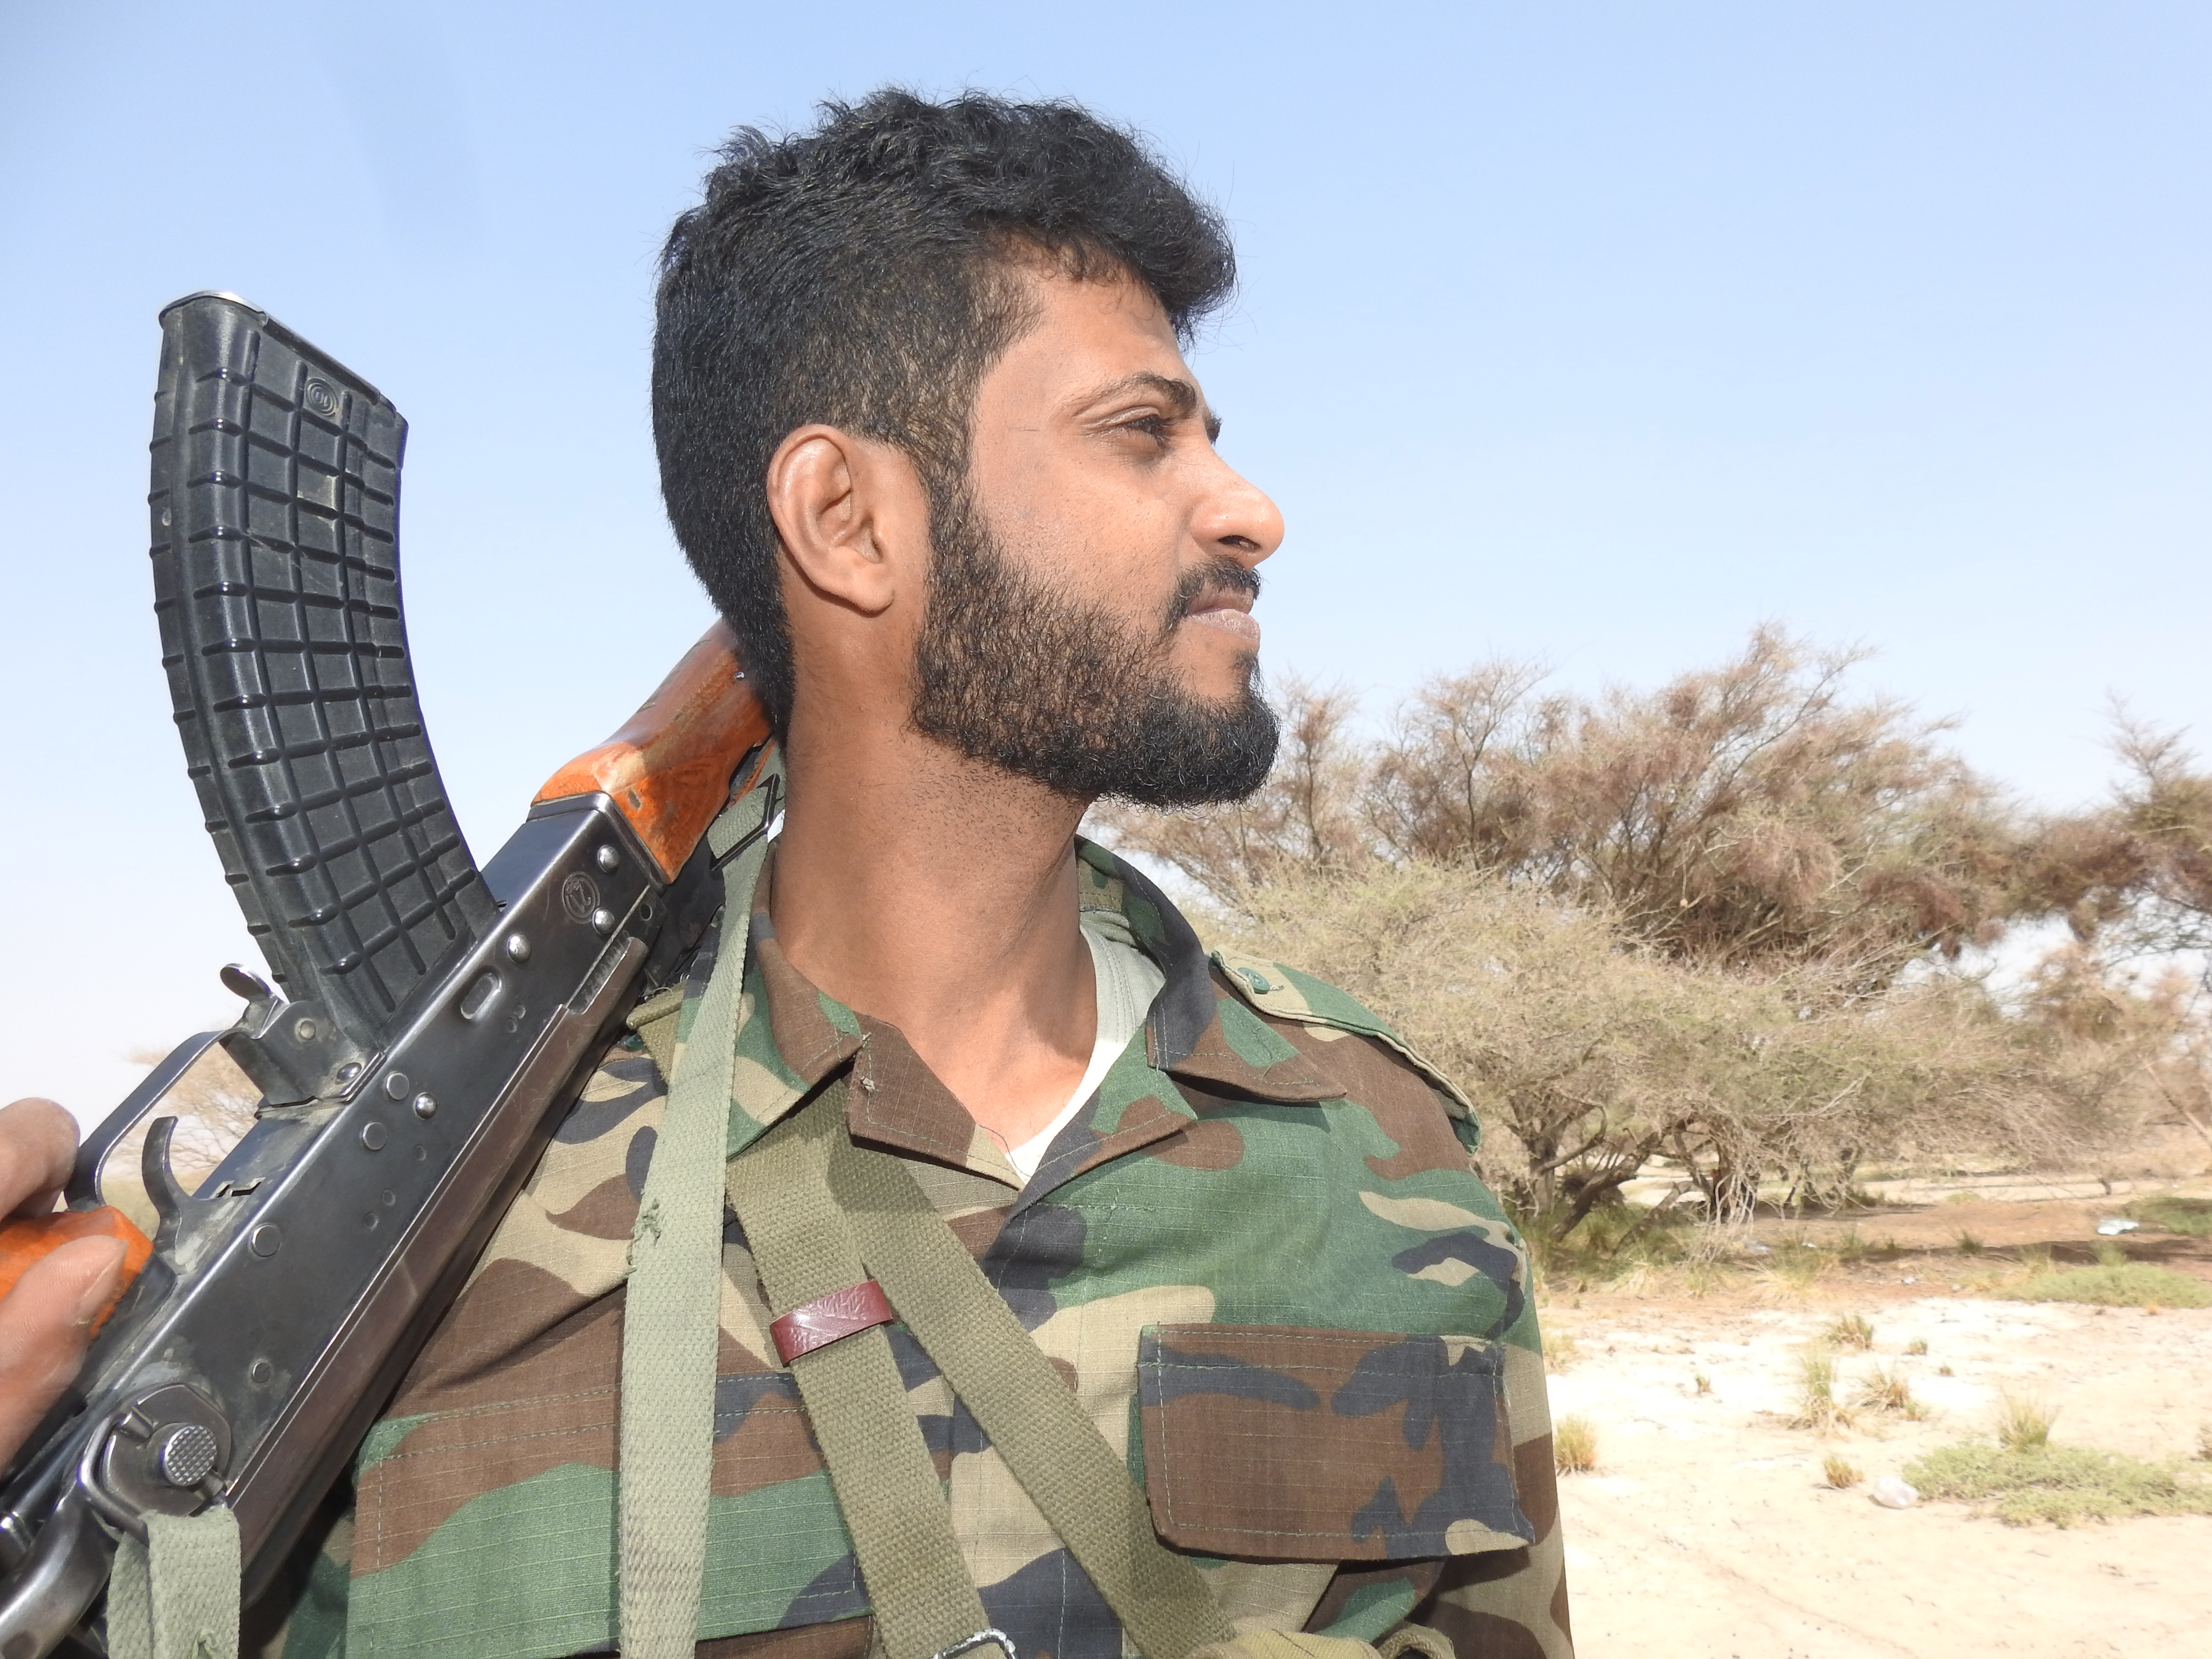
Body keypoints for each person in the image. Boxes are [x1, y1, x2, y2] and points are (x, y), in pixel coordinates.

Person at [0, 90, 1572, 1659]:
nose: (1250, 510)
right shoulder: (437, 1231)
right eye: (1142, 433)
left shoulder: (1382, 1144)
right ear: (845, 521)